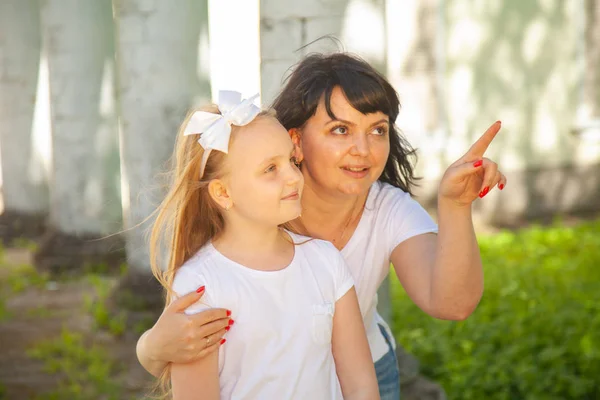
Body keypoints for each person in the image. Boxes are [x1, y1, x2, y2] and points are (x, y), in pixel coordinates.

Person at [137, 54, 506, 400]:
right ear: (296, 140)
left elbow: (452, 303)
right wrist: (151, 348)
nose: (363, 148)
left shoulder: (375, 219)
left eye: (377, 130)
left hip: (364, 368)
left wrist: (455, 205)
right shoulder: (256, 211)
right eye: (341, 129)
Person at [149, 91, 379, 399]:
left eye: (291, 161)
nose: (294, 178)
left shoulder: (325, 262)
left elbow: (361, 386)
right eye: (270, 169)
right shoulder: (202, 285)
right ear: (222, 193)